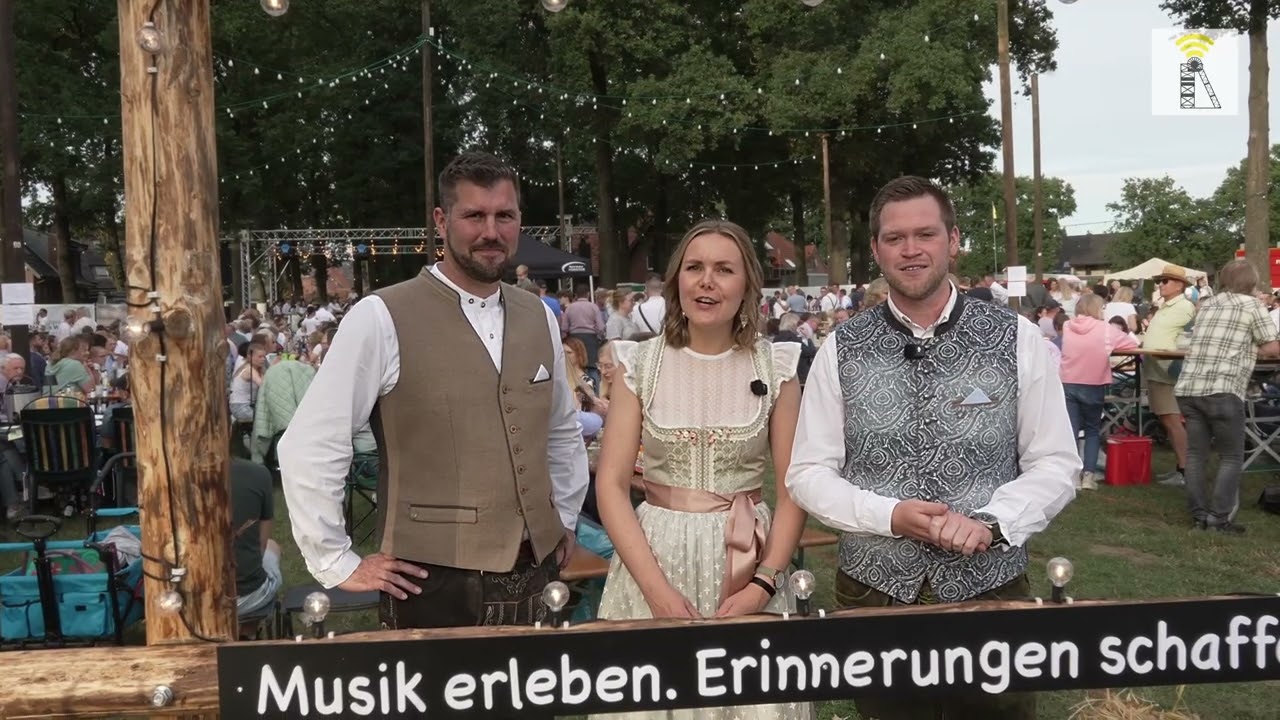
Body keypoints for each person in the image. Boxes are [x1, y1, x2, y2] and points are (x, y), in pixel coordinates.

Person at [786, 176, 1079, 720]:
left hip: (991, 583)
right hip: (874, 587)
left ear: (953, 239)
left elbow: (1056, 461)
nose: (910, 249)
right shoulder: (840, 348)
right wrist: (889, 515)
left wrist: (993, 522)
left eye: (925, 234)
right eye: (894, 238)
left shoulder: (1017, 338)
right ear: (875, 249)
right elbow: (808, 472)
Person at [279, 151, 589, 628]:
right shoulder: (381, 316)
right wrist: (336, 560)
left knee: (530, 702)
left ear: (519, 220)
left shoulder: (540, 317)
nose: (491, 231)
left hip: (538, 567)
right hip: (432, 579)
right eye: (475, 216)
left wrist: (563, 517)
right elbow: (312, 442)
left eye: (504, 215)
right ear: (442, 222)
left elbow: (561, 431)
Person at [592, 220, 811, 720]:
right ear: (676, 281)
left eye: (723, 269)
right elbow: (610, 484)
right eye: (694, 267)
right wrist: (656, 591)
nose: (707, 281)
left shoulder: (774, 366)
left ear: (747, 285)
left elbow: (791, 487)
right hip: (654, 558)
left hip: (747, 560)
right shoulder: (640, 364)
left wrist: (765, 582)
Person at [1174, 259, 1280, 534]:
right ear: (1252, 283)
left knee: (1196, 455)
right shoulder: (1252, 305)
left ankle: (1198, 516)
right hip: (1224, 389)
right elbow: (1271, 347)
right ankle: (1218, 519)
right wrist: (1249, 349)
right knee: (1231, 457)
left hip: (1189, 388)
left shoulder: (1207, 304)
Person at [1060, 294, 1138, 489]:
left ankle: (1073, 476)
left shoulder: (1067, 326)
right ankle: (1088, 475)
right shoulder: (1105, 329)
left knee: (1071, 432)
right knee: (1092, 431)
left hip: (1068, 381)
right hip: (1093, 383)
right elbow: (1131, 344)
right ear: (1096, 309)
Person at [1141, 265, 1197, 486]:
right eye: (1160, 281)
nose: (1161, 284)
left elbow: (1188, 337)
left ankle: (1185, 470)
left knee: (1172, 420)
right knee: (1168, 419)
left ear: (1179, 285)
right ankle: (1182, 468)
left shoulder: (1184, 307)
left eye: (1165, 281)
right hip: (1157, 367)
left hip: (1168, 369)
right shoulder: (1166, 306)